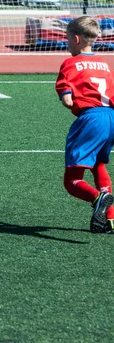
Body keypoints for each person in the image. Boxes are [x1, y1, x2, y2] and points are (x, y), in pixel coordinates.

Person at [56, 15, 114, 233]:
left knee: (72, 180)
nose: (67, 43)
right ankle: (110, 220)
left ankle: (97, 198)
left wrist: (67, 97)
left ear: (77, 39)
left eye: (68, 38)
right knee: (99, 165)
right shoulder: (103, 64)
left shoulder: (70, 63)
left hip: (91, 119)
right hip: (110, 117)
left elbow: (67, 99)